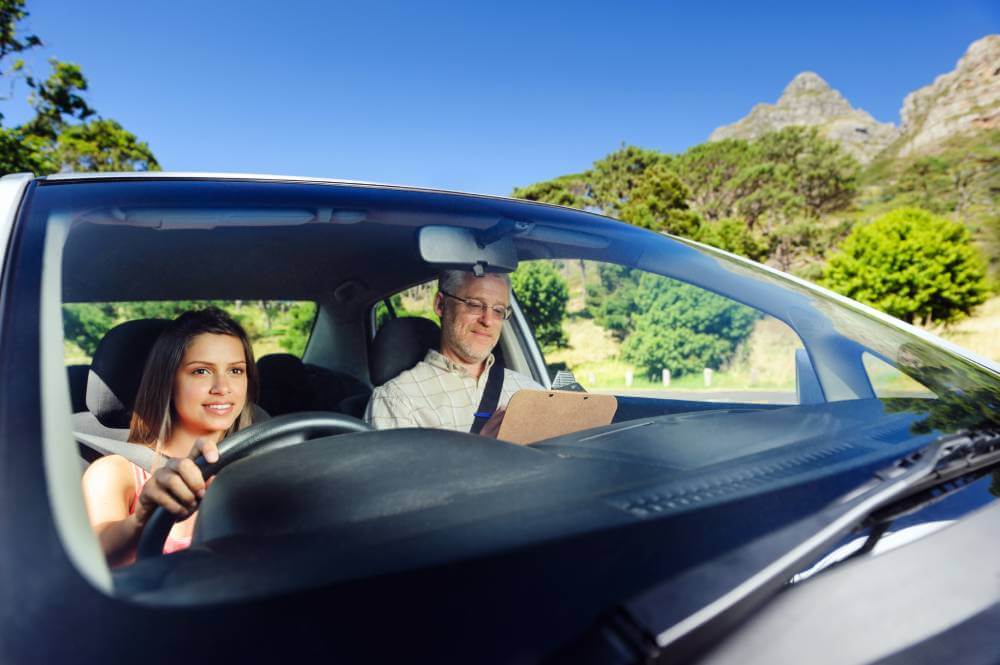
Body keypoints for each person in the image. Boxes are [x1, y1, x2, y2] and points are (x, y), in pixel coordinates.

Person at [81, 308, 259, 566]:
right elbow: (97, 558)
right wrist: (142, 519)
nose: (223, 388)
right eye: (201, 371)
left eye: (236, 371)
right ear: (168, 380)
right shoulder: (114, 472)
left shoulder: (262, 464)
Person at [365, 269, 544, 435]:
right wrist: (483, 448)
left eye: (498, 310)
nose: (488, 321)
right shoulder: (397, 401)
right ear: (440, 305)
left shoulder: (530, 392)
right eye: (474, 305)